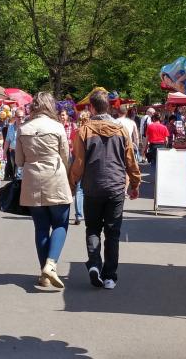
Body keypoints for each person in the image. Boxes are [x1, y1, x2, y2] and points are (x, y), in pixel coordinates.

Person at [69, 90, 141, 290]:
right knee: (113, 232)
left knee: (92, 228)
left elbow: (78, 163)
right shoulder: (120, 130)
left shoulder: (84, 131)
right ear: (108, 107)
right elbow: (130, 161)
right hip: (116, 186)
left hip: (92, 187)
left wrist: (72, 184)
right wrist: (135, 184)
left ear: (91, 108)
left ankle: (94, 264)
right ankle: (109, 276)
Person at [17, 92, 73, 289]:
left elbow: (18, 161)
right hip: (55, 176)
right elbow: (66, 156)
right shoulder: (57, 127)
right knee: (60, 223)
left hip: (32, 180)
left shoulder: (23, 128)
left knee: (41, 227)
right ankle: (51, 264)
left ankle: (44, 273)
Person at [59, 110, 83, 225]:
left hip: (73, 158)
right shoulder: (57, 127)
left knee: (77, 186)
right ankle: (62, 214)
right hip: (61, 159)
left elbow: (76, 142)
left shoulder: (73, 126)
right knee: (64, 185)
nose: (62, 117)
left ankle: (78, 215)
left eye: (63, 115)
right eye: (60, 115)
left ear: (68, 116)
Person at [4, 108, 25, 178]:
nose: (21, 118)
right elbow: (7, 140)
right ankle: (17, 183)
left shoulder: (26, 126)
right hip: (13, 151)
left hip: (23, 151)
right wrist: (4, 152)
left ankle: (19, 183)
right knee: (15, 170)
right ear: (15, 117)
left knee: (19, 170)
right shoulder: (10, 127)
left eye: (22, 117)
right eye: (19, 117)